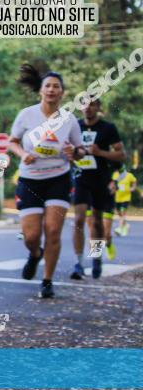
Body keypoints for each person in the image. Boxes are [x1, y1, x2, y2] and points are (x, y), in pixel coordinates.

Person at [8, 64, 84, 298]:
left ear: (62, 92)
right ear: (41, 90)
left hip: (58, 179)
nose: (51, 90)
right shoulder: (26, 115)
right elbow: (12, 141)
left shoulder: (69, 119)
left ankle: (47, 281)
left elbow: (80, 149)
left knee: (52, 231)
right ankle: (34, 254)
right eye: (48, 86)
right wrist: (23, 154)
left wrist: (75, 152)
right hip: (30, 180)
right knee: (31, 237)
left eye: (56, 87)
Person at [70, 98, 126, 279]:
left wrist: (100, 152)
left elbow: (121, 155)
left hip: (101, 179)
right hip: (80, 178)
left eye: (92, 104)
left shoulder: (108, 128)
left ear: (98, 108)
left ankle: (96, 258)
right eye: (84, 104)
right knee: (78, 219)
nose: (88, 108)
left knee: (97, 221)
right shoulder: (75, 126)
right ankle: (78, 263)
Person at [113, 166, 137, 237]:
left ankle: (120, 228)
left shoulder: (129, 175)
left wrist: (132, 188)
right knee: (119, 213)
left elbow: (134, 181)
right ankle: (125, 225)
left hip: (126, 197)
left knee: (122, 212)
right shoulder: (115, 175)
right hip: (117, 198)